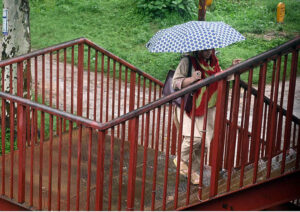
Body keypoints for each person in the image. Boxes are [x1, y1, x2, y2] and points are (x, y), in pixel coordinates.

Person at [172, 49, 221, 185]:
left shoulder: (214, 64)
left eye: (210, 49)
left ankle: (192, 173)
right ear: (198, 49)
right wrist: (192, 79)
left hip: (207, 107)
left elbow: (221, 78)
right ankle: (180, 160)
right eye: (205, 49)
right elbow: (175, 83)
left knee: (204, 144)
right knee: (194, 138)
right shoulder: (187, 61)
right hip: (188, 107)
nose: (208, 52)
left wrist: (234, 68)